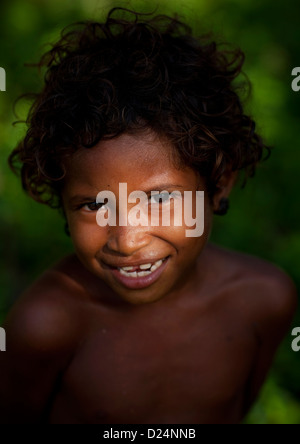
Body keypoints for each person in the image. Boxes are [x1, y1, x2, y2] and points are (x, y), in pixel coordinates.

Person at [0, 7, 297, 424]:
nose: (127, 239)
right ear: (63, 201)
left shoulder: (263, 299)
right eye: (94, 204)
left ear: (220, 182)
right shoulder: (46, 326)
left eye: (158, 198)